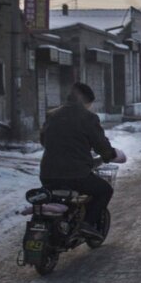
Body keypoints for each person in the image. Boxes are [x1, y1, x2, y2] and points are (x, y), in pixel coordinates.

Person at [39, 82, 127, 238]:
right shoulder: (88, 117)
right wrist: (110, 155)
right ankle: (87, 224)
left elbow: (43, 140)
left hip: (47, 174)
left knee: (56, 197)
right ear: (86, 102)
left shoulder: (52, 115)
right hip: (76, 175)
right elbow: (101, 146)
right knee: (104, 190)